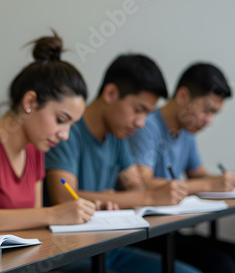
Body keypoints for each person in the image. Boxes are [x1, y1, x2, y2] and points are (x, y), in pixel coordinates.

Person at [45, 54, 200, 273]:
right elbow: (65, 199)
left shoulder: (117, 137)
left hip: (110, 248)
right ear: (110, 93)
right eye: (138, 109)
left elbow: (137, 187)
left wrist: (109, 198)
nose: (141, 122)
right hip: (71, 253)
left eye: (147, 113)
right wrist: (145, 198)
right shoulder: (66, 132)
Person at [0, 32, 98, 237]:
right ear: (30, 102)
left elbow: (35, 227)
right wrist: (51, 214)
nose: (65, 135)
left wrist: (49, 216)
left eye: (71, 125)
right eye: (61, 120)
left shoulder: (35, 149)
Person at [129, 63, 235, 273]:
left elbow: (199, 175)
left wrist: (225, 182)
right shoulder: (146, 125)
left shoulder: (186, 130)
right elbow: (142, 183)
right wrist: (209, 183)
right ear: (183, 96)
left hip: (172, 229)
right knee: (221, 265)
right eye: (207, 110)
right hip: (147, 233)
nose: (209, 121)